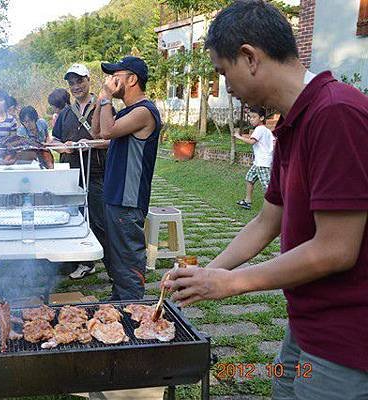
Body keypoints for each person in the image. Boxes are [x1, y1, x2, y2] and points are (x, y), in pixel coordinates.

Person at [160, 2, 368, 399]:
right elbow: (266, 222)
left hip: (346, 338)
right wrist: (203, 275)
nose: (229, 88)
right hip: (305, 322)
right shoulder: (295, 121)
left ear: (250, 57)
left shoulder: (335, 113)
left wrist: (232, 283)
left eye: (224, 73)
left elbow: (336, 249)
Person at [91, 56, 162, 300]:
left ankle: (132, 311)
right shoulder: (126, 112)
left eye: (115, 76)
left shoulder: (144, 111)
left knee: (129, 261)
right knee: (118, 258)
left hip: (128, 199)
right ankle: (120, 303)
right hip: (115, 195)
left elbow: (108, 130)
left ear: (132, 79)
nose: (110, 80)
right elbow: (97, 131)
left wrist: (106, 98)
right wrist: (102, 100)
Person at [52, 64, 110, 280]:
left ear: (88, 80)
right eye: (72, 83)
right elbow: (53, 139)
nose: (76, 86)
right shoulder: (66, 113)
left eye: (80, 81)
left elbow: (113, 140)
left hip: (97, 172)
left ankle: (114, 269)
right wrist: (62, 147)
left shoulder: (103, 107)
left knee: (99, 221)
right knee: (72, 219)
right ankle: (83, 262)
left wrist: (91, 144)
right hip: (70, 175)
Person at [234, 106, 274, 209]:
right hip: (259, 162)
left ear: (261, 118)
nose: (251, 119)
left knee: (267, 186)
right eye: (250, 117)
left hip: (263, 163)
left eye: (254, 117)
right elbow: (273, 142)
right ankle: (247, 201)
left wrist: (239, 137)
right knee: (249, 178)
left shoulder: (259, 129)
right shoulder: (266, 130)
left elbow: (252, 141)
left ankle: (273, 207)